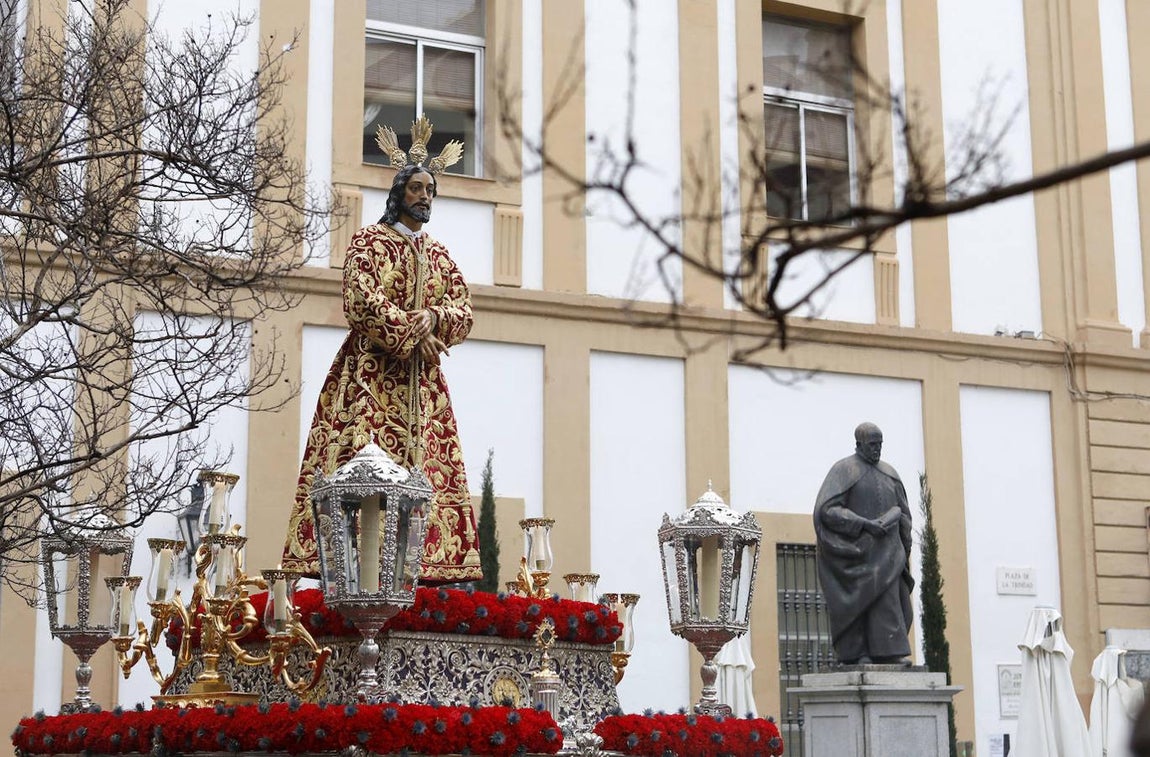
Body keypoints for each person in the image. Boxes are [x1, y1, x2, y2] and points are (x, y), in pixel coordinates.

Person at [282, 119, 481, 584]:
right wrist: (416, 329)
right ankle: (357, 578)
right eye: (416, 187)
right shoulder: (369, 243)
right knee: (363, 472)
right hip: (370, 378)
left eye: (430, 189)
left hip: (424, 393)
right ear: (399, 193)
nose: (424, 196)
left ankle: (419, 574)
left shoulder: (440, 255)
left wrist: (433, 320)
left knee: (426, 477)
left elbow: (464, 310)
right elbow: (360, 299)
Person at [813, 422, 914, 664]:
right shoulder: (843, 470)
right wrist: (864, 524)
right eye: (872, 445)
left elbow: (904, 513)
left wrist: (901, 531)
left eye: (880, 445)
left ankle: (890, 653)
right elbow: (827, 511)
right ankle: (858, 654)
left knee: (890, 602)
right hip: (856, 554)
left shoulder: (890, 474)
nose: (877, 449)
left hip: (889, 555)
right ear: (858, 444)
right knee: (859, 605)